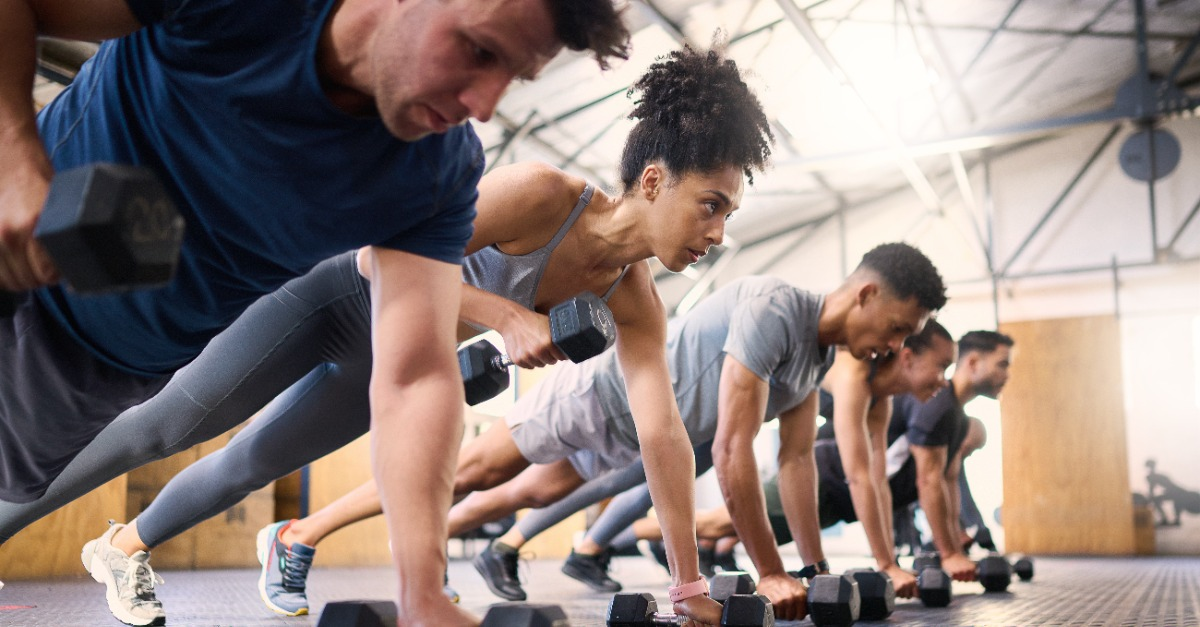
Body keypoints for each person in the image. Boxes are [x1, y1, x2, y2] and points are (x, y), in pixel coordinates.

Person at [0, 46, 774, 626]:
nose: (718, 230)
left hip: (397, 358)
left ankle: (122, 548)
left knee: (249, 464)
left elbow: (663, 435)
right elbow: (381, 253)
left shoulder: (636, 303)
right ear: (652, 181)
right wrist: (502, 314)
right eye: (711, 204)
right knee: (167, 424)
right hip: (338, 293)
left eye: (729, 214)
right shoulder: (545, 196)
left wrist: (689, 585)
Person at [442, 242, 946, 621]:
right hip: (603, 393)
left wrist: (813, 572)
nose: (895, 344)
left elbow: (796, 462)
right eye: (898, 327)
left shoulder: (818, 360)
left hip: (656, 432)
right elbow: (733, 447)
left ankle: (473, 543)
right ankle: (419, 538)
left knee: (529, 489)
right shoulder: (775, 307)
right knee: (476, 471)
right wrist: (770, 570)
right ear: (867, 294)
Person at [513, 318, 957, 602]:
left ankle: (589, 547)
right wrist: (880, 564)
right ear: (905, 353)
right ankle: (581, 546)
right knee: (623, 480)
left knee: (647, 487)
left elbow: (870, 477)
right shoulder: (853, 368)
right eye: (942, 366)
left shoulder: (881, 397)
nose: (943, 380)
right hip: (719, 407)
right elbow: (856, 474)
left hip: (741, 416)